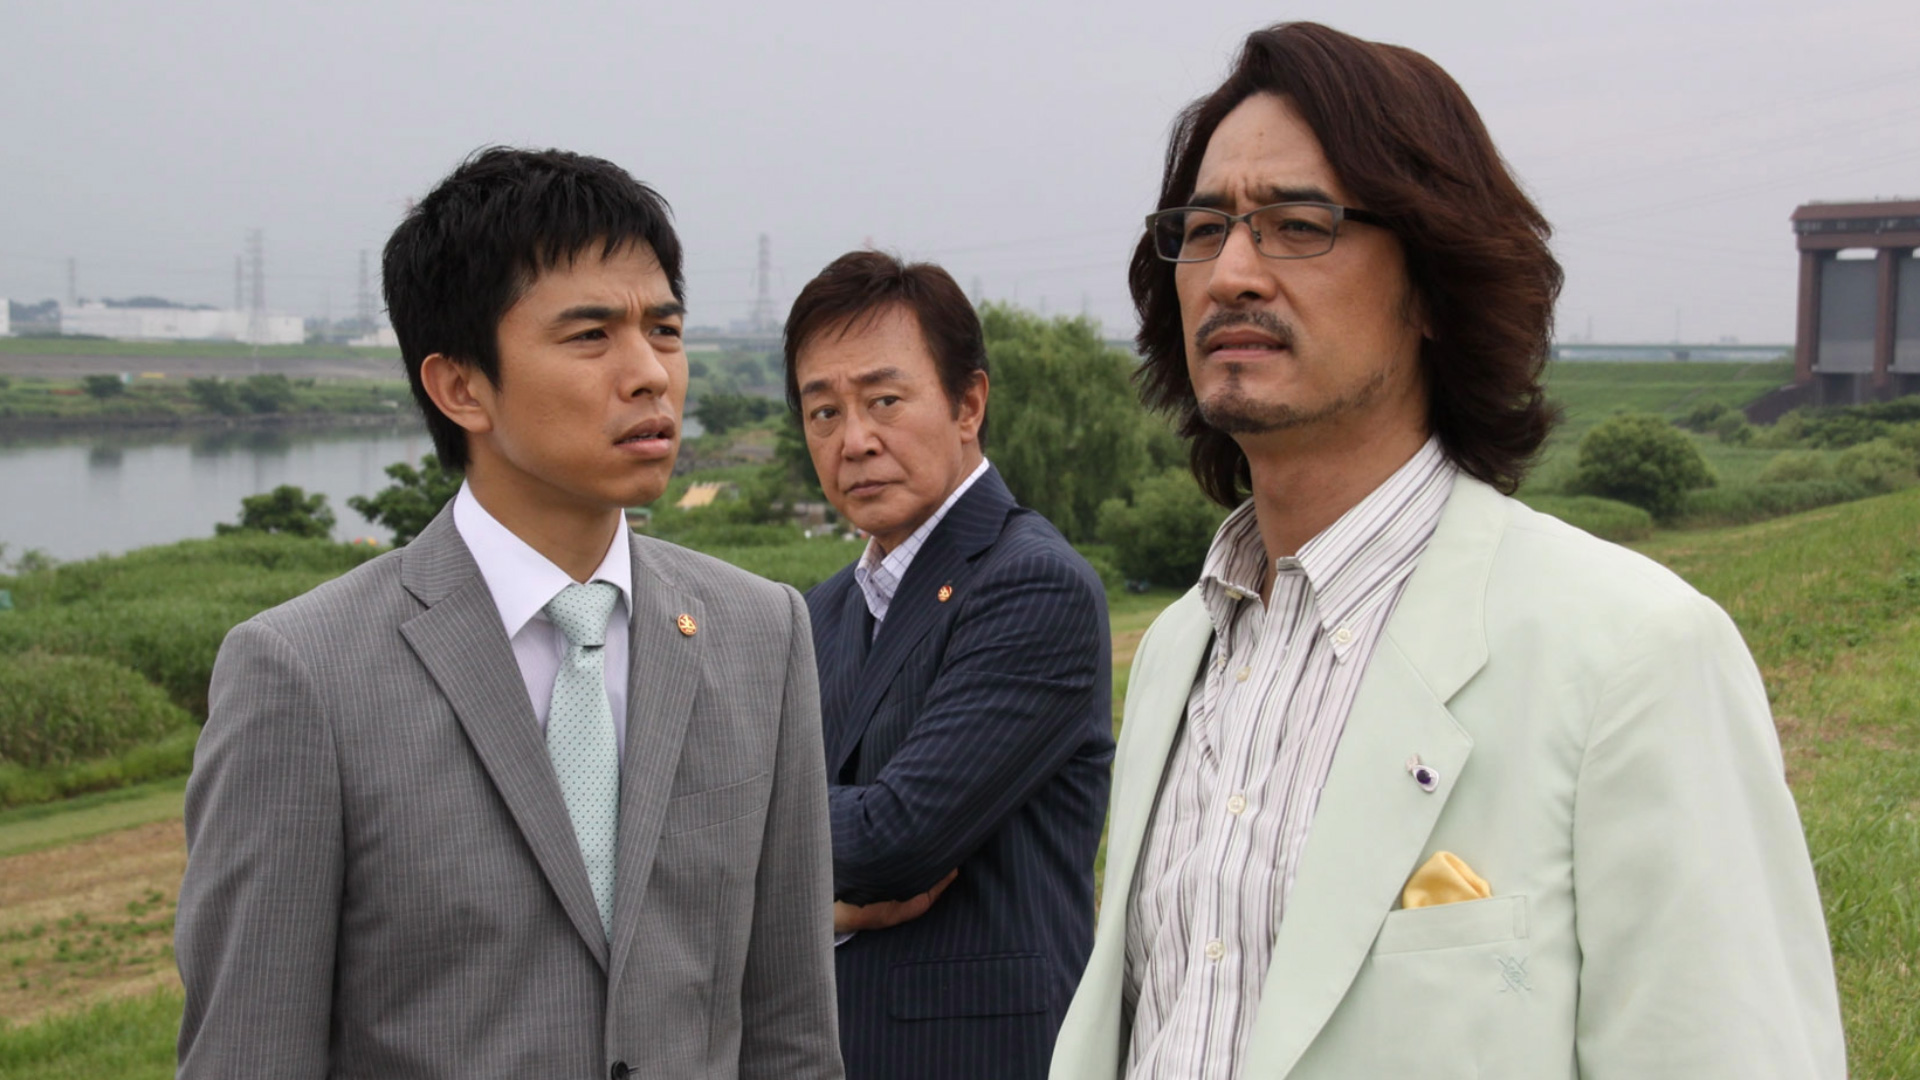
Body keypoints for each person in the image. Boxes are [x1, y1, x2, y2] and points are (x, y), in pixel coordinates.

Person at [1050, 23, 1845, 1080]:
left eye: (1298, 225)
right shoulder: (1177, 651)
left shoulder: (1634, 655)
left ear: (1432, 281)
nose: (1233, 271)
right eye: (1204, 229)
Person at [175, 148, 843, 1080]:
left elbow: (792, 1033)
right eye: (591, 335)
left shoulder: (760, 633)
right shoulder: (304, 675)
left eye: (665, 329)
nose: (650, 374)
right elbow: (251, 1053)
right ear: (460, 386)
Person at [784, 250, 1114, 1079]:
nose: (855, 441)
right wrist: (817, 896)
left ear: (968, 404)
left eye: (884, 401)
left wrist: (736, 817)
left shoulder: (1031, 584)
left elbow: (896, 839)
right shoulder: (822, 610)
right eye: (822, 412)